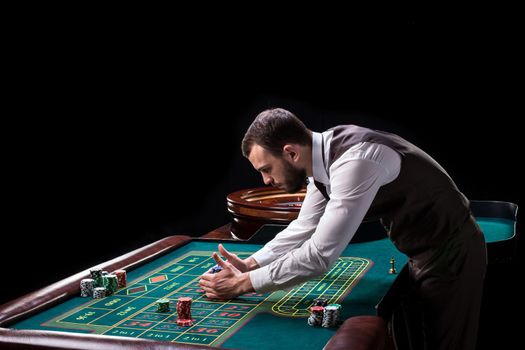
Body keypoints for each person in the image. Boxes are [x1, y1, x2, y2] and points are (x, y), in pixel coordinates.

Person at [199, 108, 487, 350]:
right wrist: (251, 263)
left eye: (266, 168)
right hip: (421, 251)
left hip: (451, 251)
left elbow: (318, 257)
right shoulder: (322, 161)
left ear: (290, 153)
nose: (265, 180)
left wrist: (242, 284)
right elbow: (304, 227)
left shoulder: (356, 161)